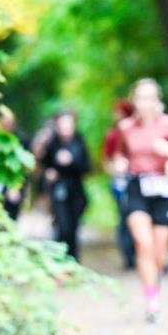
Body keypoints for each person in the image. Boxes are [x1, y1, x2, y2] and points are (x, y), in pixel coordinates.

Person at [110, 79, 168, 321]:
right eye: (140, 97)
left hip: (162, 188)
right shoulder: (126, 127)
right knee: (143, 243)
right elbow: (118, 153)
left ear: (157, 100)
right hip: (137, 186)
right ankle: (151, 303)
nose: (145, 103)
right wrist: (119, 163)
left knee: (158, 253)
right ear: (134, 101)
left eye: (150, 97)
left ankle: (154, 288)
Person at [41, 109, 91, 260]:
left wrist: (72, 161)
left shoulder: (79, 142)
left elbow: (86, 167)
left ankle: (73, 261)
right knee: (62, 226)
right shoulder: (51, 143)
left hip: (76, 192)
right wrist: (49, 173)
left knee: (73, 228)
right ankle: (61, 260)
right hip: (58, 191)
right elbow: (42, 164)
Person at [102, 100, 137, 270]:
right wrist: (116, 172)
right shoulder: (113, 134)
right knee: (124, 218)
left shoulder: (135, 131)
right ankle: (129, 255)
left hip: (137, 181)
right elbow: (106, 160)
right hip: (120, 183)